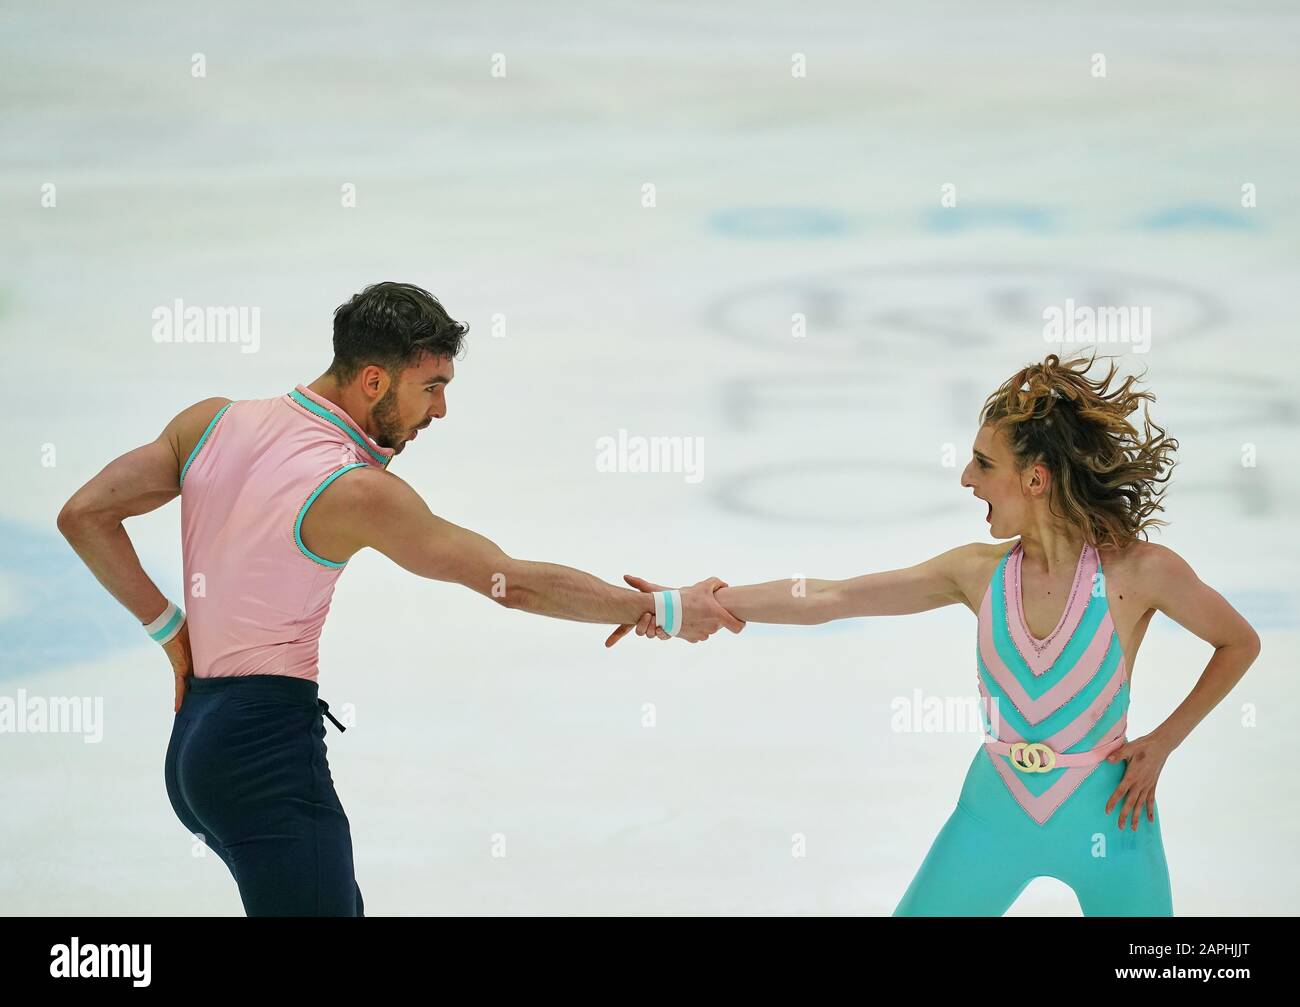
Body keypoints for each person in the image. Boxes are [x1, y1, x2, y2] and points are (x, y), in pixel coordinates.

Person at [56, 280, 744, 916]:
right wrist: (663, 609)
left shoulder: (209, 422)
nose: (440, 409)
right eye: (432, 386)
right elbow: (511, 581)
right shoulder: (354, 489)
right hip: (265, 757)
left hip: (196, 746)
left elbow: (84, 514)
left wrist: (169, 630)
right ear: (374, 379)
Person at [614, 351, 1261, 916]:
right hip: (993, 817)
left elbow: (1239, 641)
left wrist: (1164, 741)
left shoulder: (1139, 572)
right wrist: (691, 604)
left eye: (984, 463)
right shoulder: (974, 573)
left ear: (1035, 478)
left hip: (1112, 823)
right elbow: (833, 597)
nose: (966, 478)